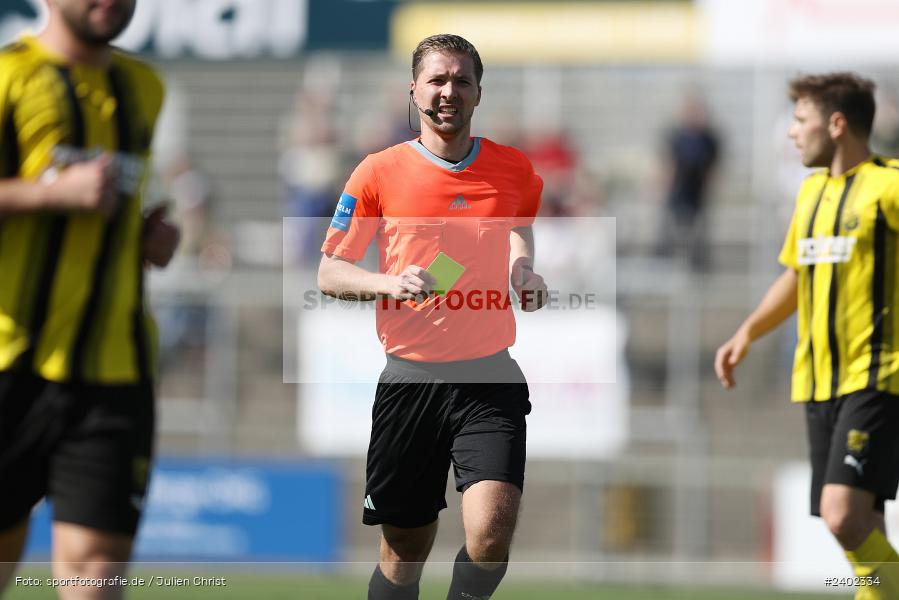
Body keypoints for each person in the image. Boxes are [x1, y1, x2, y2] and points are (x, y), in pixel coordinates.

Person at [317, 34, 547, 600]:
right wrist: (386, 282)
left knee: (490, 533)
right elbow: (329, 272)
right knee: (404, 549)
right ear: (414, 90)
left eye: (461, 81)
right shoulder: (377, 172)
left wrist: (523, 270)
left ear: (478, 94)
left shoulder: (512, 168)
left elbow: (517, 227)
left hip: (489, 376)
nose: (448, 92)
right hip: (410, 380)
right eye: (437, 80)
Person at [0, 1, 178, 598]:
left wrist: (148, 238)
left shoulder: (143, 87)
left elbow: (112, 207)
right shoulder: (9, 77)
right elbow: (66, 197)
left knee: (96, 577)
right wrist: (51, 194)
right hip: (8, 363)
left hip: (114, 371)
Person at [715, 72, 899, 599]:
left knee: (843, 516)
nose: (792, 133)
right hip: (818, 380)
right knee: (862, 523)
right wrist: (747, 332)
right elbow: (798, 274)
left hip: (875, 375)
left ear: (837, 124)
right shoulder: (812, 192)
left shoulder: (889, 185)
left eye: (800, 121)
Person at [655, 92, 720, 270]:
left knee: (698, 236)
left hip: (697, 194)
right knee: (668, 231)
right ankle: (663, 263)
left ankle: (698, 267)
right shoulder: (676, 136)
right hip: (677, 193)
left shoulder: (708, 138)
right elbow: (669, 163)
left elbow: (713, 166)